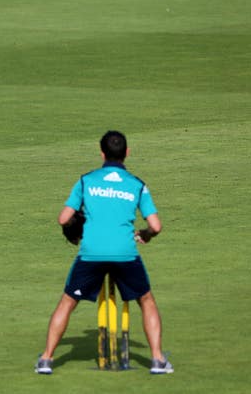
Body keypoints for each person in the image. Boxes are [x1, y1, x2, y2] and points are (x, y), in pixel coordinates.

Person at [34, 131, 173, 375]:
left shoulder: (86, 180)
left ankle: (46, 359)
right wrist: (145, 234)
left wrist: (81, 223)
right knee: (146, 301)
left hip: (91, 253)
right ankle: (157, 360)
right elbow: (156, 226)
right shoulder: (137, 184)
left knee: (67, 302)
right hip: (125, 253)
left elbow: (63, 218)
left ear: (102, 154)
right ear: (127, 153)